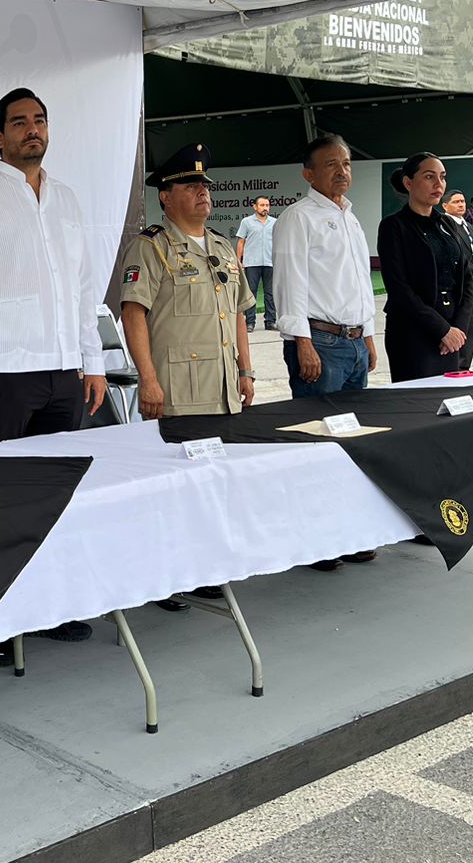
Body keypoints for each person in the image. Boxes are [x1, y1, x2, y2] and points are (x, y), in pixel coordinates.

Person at [0, 86, 106, 657]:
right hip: (5, 374)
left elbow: (83, 289)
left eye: (39, 120)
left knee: (53, 495)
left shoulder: (67, 200)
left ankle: (47, 607)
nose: (31, 130)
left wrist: (94, 360)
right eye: (19, 122)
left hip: (65, 371)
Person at [120, 143, 255, 610]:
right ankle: (166, 574)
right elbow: (133, 314)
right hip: (178, 389)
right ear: (165, 194)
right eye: (190, 185)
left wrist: (246, 369)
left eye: (204, 186)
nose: (202, 193)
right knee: (174, 485)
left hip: (222, 389)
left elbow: (238, 313)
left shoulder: (220, 246)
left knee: (212, 482)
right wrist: (148, 380)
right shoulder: (152, 246)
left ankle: (203, 567)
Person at [271, 133, 379, 569]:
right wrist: (303, 343)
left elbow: (357, 283)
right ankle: (316, 540)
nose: (342, 171)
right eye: (331, 164)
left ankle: (348, 532)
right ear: (308, 173)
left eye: (347, 164)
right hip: (321, 344)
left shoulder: (350, 217)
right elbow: (289, 284)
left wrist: (368, 335)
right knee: (317, 446)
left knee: (352, 443)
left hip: (352, 343)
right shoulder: (298, 218)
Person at [378, 159, 473, 381]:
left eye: (442, 177)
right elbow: (398, 287)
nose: (438, 184)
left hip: (452, 336)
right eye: (429, 177)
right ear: (409, 182)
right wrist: (442, 330)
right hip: (414, 333)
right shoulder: (394, 226)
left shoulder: (448, 225)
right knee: (418, 406)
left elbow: (466, 278)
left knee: (448, 404)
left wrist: (458, 328)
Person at [443, 190, 473, 369]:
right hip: (456, 286)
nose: (461, 205)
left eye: (463, 201)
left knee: (470, 327)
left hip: (471, 286)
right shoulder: (443, 225)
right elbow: (451, 255)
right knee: (458, 326)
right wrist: (472, 270)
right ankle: (454, 368)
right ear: (445, 205)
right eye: (456, 202)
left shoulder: (468, 226)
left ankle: (465, 367)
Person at [235, 195, 277, 332]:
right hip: (252, 262)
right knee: (251, 293)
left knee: (270, 293)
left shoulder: (275, 222)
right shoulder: (246, 222)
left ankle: (270, 322)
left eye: (267, 205)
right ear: (255, 207)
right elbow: (241, 242)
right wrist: (239, 260)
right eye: (262, 205)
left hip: (270, 261)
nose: (265, 208)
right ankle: (250, 322)